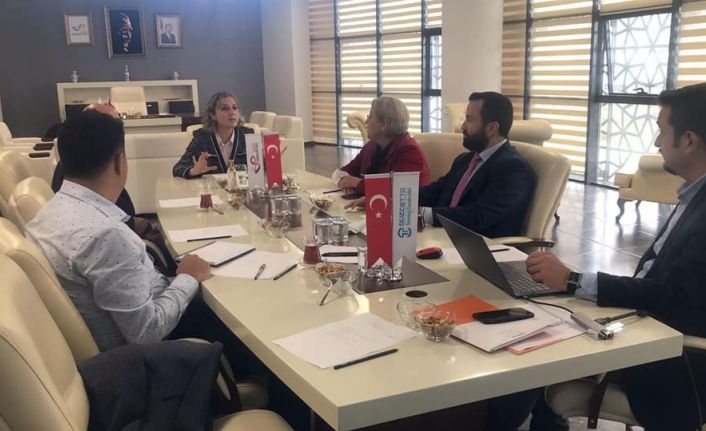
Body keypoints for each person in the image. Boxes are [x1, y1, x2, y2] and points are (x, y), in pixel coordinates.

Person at [502, 83, 706, 431]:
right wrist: (578, 287)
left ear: (688, 140)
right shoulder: (694, 195)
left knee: (533, 355)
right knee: (534, 328)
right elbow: (660, 281)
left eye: (661, 131)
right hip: (647, 326)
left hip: (675, 363)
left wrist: (574, 281)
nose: (657, 142)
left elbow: (677, 298)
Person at [25, 109, 212, 352]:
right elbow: (147, 333)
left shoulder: (47, 213)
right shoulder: (106, 235)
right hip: (149, 354)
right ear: (120, 163)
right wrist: (188, 278)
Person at [418, 91, 536, 237]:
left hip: (478, 245)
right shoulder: (465, 160)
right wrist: (400, 198)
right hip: (441, 236)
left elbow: (479, 216)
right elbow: (436, 191)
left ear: (491, 128)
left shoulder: (513, 169)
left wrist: (423, 214)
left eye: (469, 120)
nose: (463, 126)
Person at [334, 96, 431, 206]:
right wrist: (344, 180)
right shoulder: (372, 146)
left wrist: (358, 184)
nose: (366, 121)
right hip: (372, 207)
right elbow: (341, 172)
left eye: (370, 117)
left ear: (383, 124)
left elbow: (401, 193)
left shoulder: (409, 151)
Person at [172, 92, 254, 179]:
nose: (232, 112)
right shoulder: (202, 137)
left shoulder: (248, 135)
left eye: (235, 108)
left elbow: (260, 169)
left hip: (241, 186)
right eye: (224, 108)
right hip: (212, 187)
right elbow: (178, 168)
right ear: (213, 115)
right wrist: (193, 171)